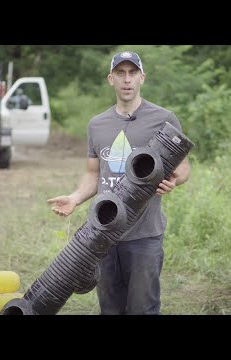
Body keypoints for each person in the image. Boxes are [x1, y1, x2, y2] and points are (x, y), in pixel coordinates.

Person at [47, 51, 191, 315]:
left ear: (142, 78)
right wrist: (75, 198)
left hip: (144, 235)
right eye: (121, 73)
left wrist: (174, 180)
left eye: (132, 73)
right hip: (103, 236)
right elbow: (93, 173)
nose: (127, 80)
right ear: (110, 79)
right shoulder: (97, 125)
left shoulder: (164, 119)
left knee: (143, 308)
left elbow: (183, 168)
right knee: (110, 308)